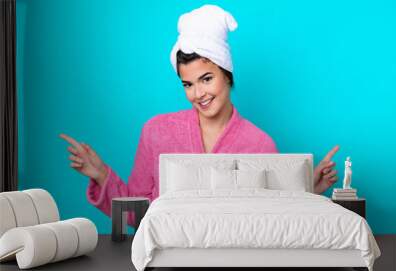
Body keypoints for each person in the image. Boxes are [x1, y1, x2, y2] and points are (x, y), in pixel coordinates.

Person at [60, 5, 339, 225]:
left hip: (237, 266)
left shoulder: (261, 145)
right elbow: (138, 216)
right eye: (188, 84)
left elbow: (271, 220)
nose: (198, 94)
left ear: (227, 75)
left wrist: (308, 192)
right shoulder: (156, 131)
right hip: (167, 263)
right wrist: (101, 175)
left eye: (206, 79)